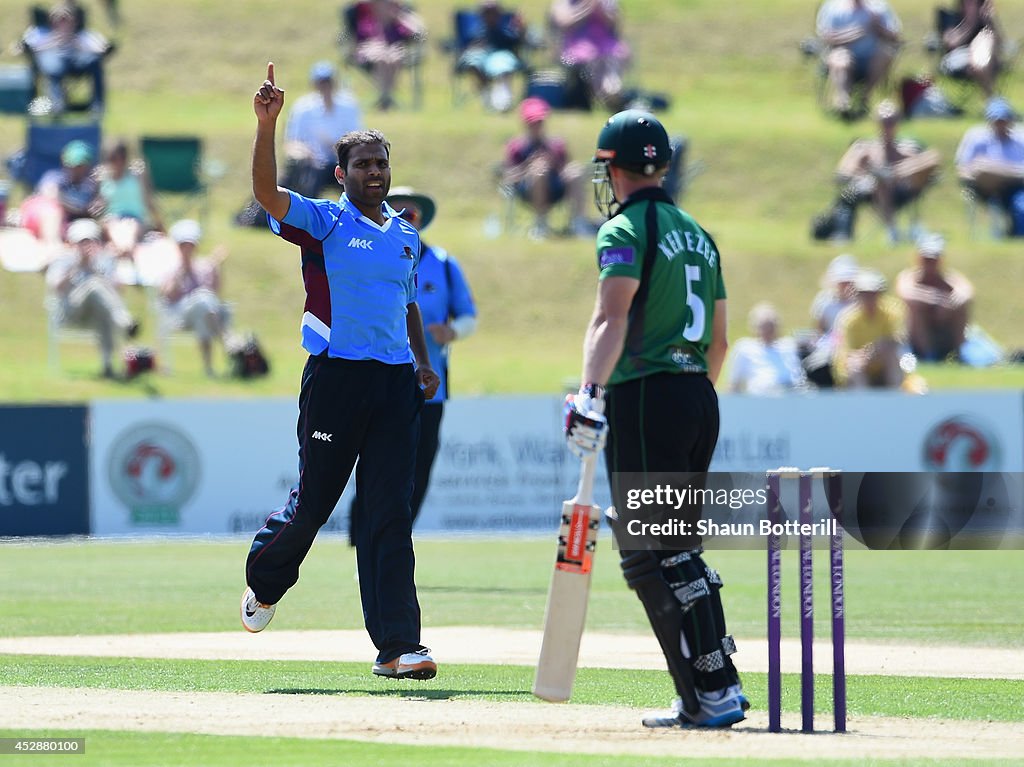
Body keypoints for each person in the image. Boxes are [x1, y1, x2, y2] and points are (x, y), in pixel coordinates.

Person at [241, 63, 440, 683]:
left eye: (381, 164)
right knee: (316, 506)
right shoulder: (326, 222)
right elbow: (267, 196)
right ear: (341, 175)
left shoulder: (405, 236)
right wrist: (266, 125)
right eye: (362, 166)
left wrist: (424, 363)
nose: (374, 173)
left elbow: (407, 302)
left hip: (394, 385)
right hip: (336, 380)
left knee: (389, 514)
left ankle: (399, 647)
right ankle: (265, 582)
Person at [565, 109, 744, 728]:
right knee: (677, 547)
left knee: (649, 554)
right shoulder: (697, 230)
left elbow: (611, 319)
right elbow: (720, 342)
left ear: (612, 167)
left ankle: (708, 694)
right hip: (698, 394)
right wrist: (690, 393)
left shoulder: (623, 230)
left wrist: (590, 391)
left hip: (645, 394)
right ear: (662, 165)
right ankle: (720, 683)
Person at [349, 187, 477, 540]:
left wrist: (452, 331)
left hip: (429, 388)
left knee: (420, 466)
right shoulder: (372, 254)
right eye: (399, 213)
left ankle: (398, 536)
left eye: (412, 216)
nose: (406, 220)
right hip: (380, 379)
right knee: (376, 463)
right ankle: (359, 536)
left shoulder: (444, 263)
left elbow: (468, 315)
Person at [44, 217, 139, 378]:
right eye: (82, 242)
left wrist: (97, 269)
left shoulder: (105, 260)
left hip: (98, 312)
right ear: (73, 243)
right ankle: (125, 322)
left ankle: (107, 366)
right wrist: (78, 266)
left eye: (90, 241)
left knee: (103, 308)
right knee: (94, 286)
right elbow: (56, 288)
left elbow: (119, 290)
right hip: (70, 310)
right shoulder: (63, 259)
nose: (86, 246)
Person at [835, 100, 940, 243]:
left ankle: (892, 174)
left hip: (903, 191)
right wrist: (865, 172)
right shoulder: (864, 148)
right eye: (884, 121)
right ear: (876, 123)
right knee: (880, 179)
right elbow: (843, 172)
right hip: (870, 191)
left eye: (892, 121)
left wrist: (898, 171)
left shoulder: (907, 148)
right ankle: (892, 231)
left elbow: (933, 161)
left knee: (930, 157)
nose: (888, 126)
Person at [501, 97, 592, 239]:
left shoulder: (556, 145)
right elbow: (509, 177)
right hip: (528, 190)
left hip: (556, 186)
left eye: (540, 123)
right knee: (539, 170)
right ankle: (541, 224)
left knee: (576, 171)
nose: (537, 127)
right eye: (533, 123)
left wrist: (554, 162)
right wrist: (528, 166)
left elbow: (566, 169)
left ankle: (578, 223)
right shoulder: (517, 147)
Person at [159, 219, 233, 377]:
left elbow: (215, 293)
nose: (188, 249)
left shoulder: (205, 266)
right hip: (179, 315)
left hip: (204, 313)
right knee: (203, 299)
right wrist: (183, 272)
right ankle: (227, 341)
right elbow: (168, 295)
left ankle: (209, 369)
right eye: (184, 246)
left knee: (204, 307)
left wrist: (218, 267)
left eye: (190, 245)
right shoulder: (171, 268)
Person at [282, 61, 363, 198]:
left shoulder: (349, 106)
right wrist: (305, 153)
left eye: (328, 82)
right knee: (307, 181)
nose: (325, 87)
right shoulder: (303, 108)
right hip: (313, 164)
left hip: (342, 162)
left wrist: (340, 150)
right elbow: (293, 142)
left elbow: (358, 139)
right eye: (321, 83)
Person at [815, 0, 902, 119]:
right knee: (840, 58)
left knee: (885, 54)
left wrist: (878, 27)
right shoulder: (833, 6)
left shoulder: (880, 7)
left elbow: (895, 36)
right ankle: (843, 103)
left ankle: (864, 99)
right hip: (844, 54)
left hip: (872, 57)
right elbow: (826, 37)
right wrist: (855, 33)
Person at [20, 2, 112, 114]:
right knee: (53, 66)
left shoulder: (83, 35)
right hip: (52, 64)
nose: (62, 22)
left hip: (77, 63)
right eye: (58, 19)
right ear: (51, 21)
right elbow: (24, 48)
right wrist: (53, 41)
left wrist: (76, 42)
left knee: (94, 61)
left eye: (66, 19)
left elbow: (102, 49)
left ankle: (97, 106)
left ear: (74, 21)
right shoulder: (41, 33)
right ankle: (57, 105)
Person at [895, 234, 974, 362]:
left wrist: (949, 305)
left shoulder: (950, 279)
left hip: (945, 331)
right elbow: (906, 293)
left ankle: (959, 354)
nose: (930, 263)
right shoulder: (909, 277)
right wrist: (935, 301)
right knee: (915, 308)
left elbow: (967, 293)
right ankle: (928, 355)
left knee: (961, 309)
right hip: (916, 336)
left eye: (934, 259)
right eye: (926, 259)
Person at [955, 97, 1024, 236]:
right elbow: (963, 168)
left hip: (1015, 187)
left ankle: (1017, 235)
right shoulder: (976, 138)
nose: (1000, 125)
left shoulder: (1020, 139)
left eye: (1004, 121)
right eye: (997, 121)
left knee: (1021, 205)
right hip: (984, 188)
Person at [549, 0, 630, 109]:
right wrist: (586, 8)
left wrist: (600, 9)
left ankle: (611, 90)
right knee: (590, 59)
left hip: (606, 47)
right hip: (576, 48)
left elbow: (615, 23)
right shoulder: (565, 2)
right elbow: (563, 22)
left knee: (613, 57)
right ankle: (605, 94)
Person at [347, 0, 427, 111]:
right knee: (381, 58)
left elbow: (420, 33)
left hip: (394, 52)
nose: (385, 7)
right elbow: (361, 41)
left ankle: (385, 98)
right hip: (369, 53)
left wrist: (400, 17)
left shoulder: (398, 23)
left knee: (395, 57)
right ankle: (386, 99)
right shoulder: (367, 22)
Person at [832, 268, 905, 388]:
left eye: (873, 294)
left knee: (893, 358)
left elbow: (898, 340)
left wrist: (879, 348)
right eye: (864, 294)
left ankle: (894, 397)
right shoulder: (849, 319)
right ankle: (864, 402)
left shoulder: (891, 314)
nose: (869, 298)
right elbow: (848, 354)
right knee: (855, 366)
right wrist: (868, 353)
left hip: (882, 364)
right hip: (859, 366)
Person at [19, 138, 101, 244]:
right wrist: (78, 208)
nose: (76, 169)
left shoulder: (90, 185)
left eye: (81, 166)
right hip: (41, 216)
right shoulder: (56, 177)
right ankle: (52, 244)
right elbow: (50, 193)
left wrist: (95, 204)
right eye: (73, 165)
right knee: (53, 210)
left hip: (69, 223)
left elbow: (94, 207)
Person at [96, 140, 164, 260]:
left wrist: (160, 225)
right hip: (112, 219)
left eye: (120, 158)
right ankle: (125, 251)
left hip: (135, 219)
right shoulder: (103, 179)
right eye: (112, 159)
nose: (117, 163)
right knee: (114, 227)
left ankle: (123, 250)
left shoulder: (136, 177)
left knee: (130, 228)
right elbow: (100, 206)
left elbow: (148, 201)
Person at [457, 0, 527, 112]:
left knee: (503, 64)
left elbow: (519, 42)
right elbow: (464, 47)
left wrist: (522, 29)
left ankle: (503, 97)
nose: (490, 15)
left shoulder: (506, 31)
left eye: (493, 12)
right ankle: (486, 95)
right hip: (480, 57)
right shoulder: (475, 32)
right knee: (472, 61)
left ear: (499, 14)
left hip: (500, 57)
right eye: (486, 12)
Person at [727, 302, 808, 395]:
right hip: (759, 400)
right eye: (764, 326)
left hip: (790, 397)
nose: (768, 331)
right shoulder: (745, 348)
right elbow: (734, 384)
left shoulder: (788, 347)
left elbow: (799, 377)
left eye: (771, 326)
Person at [938, 0, 1002, 98]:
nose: (971, 6)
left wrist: (989, 22)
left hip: (985, 57)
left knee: (985, 40)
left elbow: (1000, 44)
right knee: (980, 60)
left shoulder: (985, 22)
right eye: (968, 2)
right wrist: (970, 25)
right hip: (958, 58)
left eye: (974, 3)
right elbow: (951, 43)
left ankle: (991, 98)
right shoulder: (952, 17)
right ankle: (992, 98)